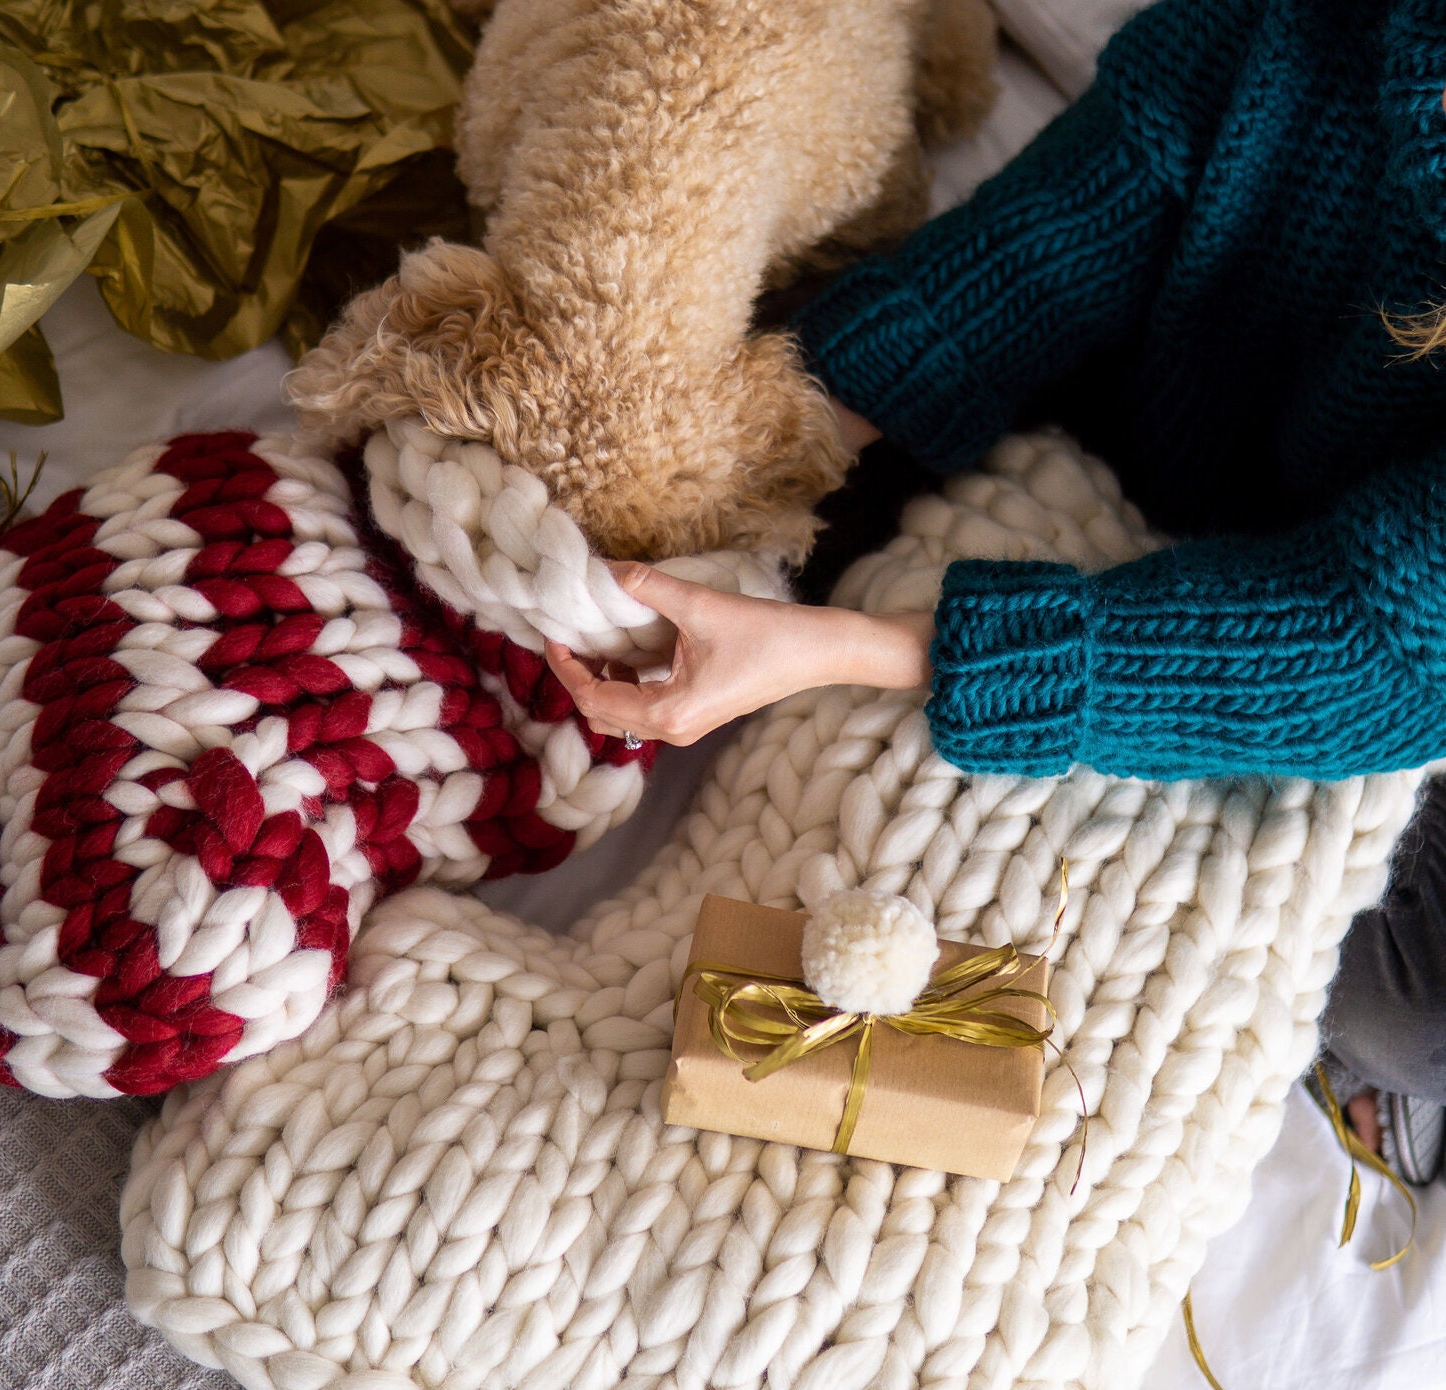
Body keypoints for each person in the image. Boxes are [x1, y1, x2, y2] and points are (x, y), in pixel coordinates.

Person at [546, 0, 1446, 1179]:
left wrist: (858, 649)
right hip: (1171, 468)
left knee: (1401, 1017)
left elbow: (1371, 642)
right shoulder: (1297, 33)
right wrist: (755, 451)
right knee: (695, 545)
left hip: (1397, 666)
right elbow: (1037, 248)